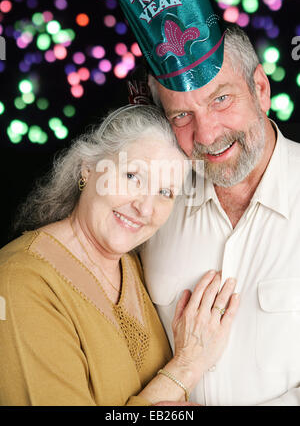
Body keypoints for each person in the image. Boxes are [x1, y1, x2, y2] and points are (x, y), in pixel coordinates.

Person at [119, 0, 300, 406]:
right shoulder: (150, 208)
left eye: (221, 99)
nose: (207, 135)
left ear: (260, 88)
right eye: (182, 115)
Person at [0, 105, 239, 406]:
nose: (145, 208)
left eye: (165, 193)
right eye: (132, 176)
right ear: (88, 168)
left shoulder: (135, 267)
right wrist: (187, 366)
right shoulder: (18, 284)